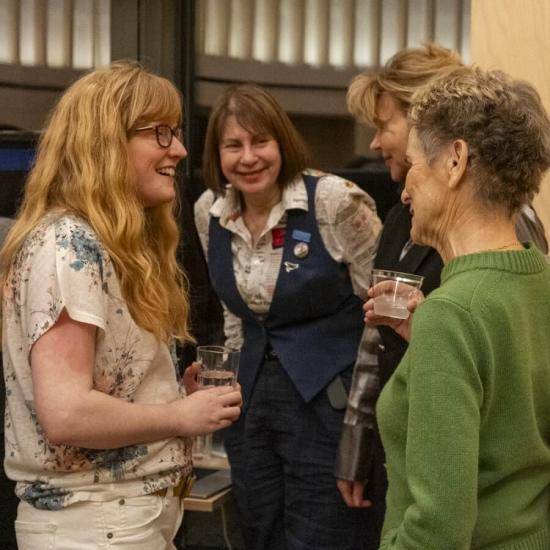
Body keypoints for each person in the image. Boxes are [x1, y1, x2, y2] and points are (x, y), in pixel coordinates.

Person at [0, 61, 242, 550]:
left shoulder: (99, 243)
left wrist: (171, 397)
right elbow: (67, 414)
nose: (179, 148)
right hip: (95, 525)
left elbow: (93, 386)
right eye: (160, 133)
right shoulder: (68, 244)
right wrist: (180, 417)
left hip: (118, 519)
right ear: (105, 143)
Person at [335, 43, 549, 548]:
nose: (404, 190)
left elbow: (437, 528)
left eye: (413, 166)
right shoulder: (533, 282)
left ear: (454, 162)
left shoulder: (452, 316)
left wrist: (441, 330)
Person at [194, 83, 382, 549]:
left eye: (261, 142)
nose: (248, 157)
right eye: (233, 146)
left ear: (283, 141)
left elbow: (381, 315)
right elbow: (231, 315)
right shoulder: (208, 212)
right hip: (252, 404)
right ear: (217, 155)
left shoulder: (334, 202)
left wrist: (365, 424)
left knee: (322, 535)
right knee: (258, 531)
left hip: (328, 402)